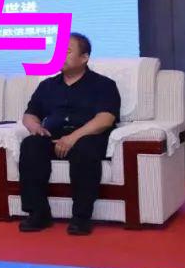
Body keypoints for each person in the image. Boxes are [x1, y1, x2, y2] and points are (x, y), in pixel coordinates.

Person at [18, 33, 120, 236]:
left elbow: (105, 119)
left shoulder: (104, 85)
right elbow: (30, 114)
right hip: (53, 137)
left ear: (84, 57)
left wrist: (73, 138)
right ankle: (38, 213)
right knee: (31, 144)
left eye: (66, 52)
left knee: (85, 149)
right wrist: (35, 127)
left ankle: (81, 217)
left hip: (87, 137)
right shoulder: (47, 86)